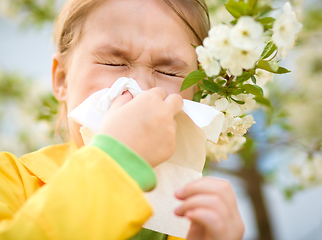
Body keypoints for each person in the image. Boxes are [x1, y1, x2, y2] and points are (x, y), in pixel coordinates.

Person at [0, 0, 244, 239]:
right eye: (113, 62)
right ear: (62, 79)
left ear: (196, 92)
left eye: (167, 72)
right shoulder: (11, 181)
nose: (140, 90)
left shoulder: (196, 222)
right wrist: (115, 161)